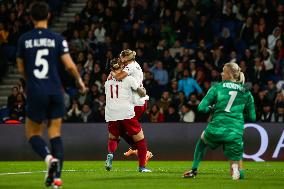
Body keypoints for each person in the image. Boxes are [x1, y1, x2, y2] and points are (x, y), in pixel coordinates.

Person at [16, 2, 86, 188]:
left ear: (31, 17)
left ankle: (48, 158)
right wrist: (79, 81)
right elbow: (70, 65)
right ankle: (57, 179)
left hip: (36, 91)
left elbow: (21, 69)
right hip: (56, 91)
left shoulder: (24, 40)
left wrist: (31, 82)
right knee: (55, 132)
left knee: (32, 134)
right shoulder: (57, 39)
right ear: (48, 16)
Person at [183, 62, 256, 180]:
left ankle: (194, 170)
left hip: (217, 127)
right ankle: (236, 169)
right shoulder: (246, 92)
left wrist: (212, 108)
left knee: (202, 143)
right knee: (236, 157)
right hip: (235, 130)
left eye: (223, 71)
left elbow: (201, 108)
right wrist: (238, 113)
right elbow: (252, 117)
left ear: (228, 74)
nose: (221, 73)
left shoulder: (217, 87)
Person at [105, 58, 151, 172]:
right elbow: (141, 93)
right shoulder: (128, 78)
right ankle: (142, 167)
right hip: (126, 112)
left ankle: (110, 154)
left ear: (111, 68)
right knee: (141, 140)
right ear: (122, 67)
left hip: (111, 113)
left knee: (113, 138)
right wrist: (143, 90)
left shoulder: (108, 80)